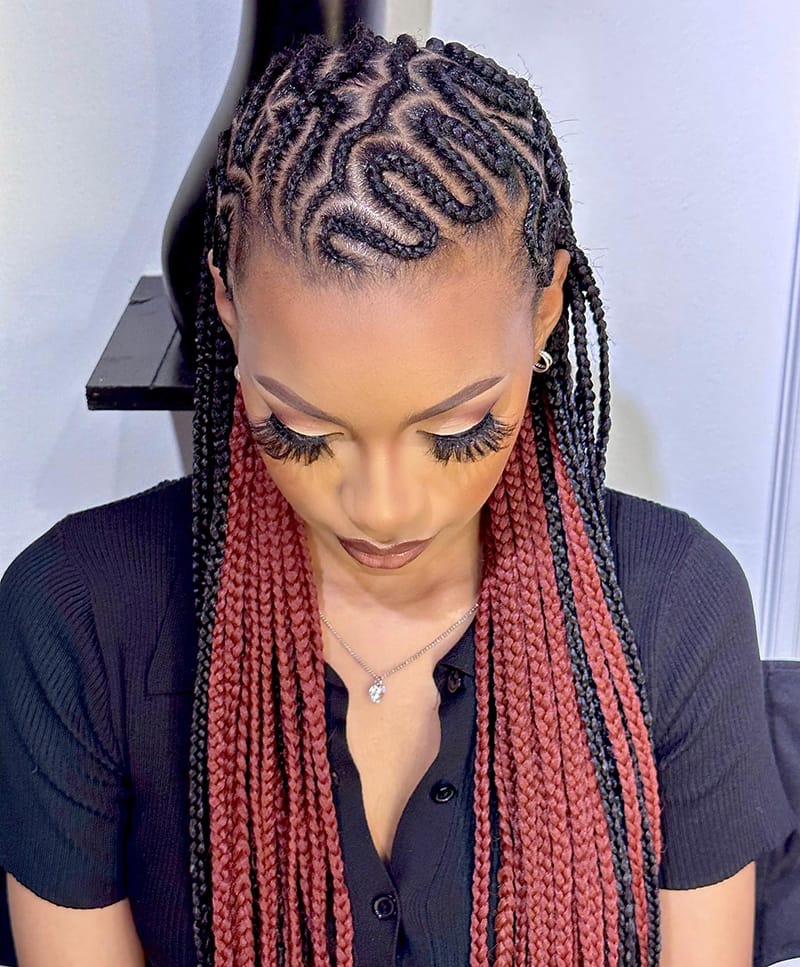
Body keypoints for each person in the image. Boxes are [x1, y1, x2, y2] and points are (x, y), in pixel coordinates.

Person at [0, 23, 795, 967]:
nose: (380, 508)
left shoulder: (673, 608)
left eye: (457, 433)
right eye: (302, 429)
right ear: (224, 305)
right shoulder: (80, 617)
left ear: (545, 305)